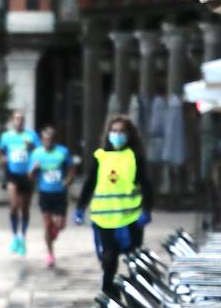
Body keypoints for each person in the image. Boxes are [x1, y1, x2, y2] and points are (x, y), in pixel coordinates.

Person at [74, 115, 154, 295]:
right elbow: (89, 183)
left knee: (135, 261)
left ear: (129, 134)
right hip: (105, 219)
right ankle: (111, 302)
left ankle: (141, 300)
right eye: (114, 131)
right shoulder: (101, 157)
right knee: (108, 261)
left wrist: (147, 210)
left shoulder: (134, 157)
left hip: (130, 218)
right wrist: (80, 208)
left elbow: (146, 185)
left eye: (121, 131)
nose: (117, 135)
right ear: (108, 133)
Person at [28, 126, 78, 269]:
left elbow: (71, 169)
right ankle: (50, 254)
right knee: (47, 224)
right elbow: (30, 176)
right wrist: (34, 169)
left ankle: (54, 233)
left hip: (60, 193)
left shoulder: (63, 152)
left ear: (54, 140)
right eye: (45, 139)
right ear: (42, 140)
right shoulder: (36, 154)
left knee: (60, 225)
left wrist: (68, 180)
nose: (47, 142)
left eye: (50, 139)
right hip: (45, 193)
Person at [0, 110, 39, 255]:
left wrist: (31, 147)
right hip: (12, 174)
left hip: (27, 175)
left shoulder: (31, 135)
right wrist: (2, 160)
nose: (19, 121)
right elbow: (1, 152)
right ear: (12, 121)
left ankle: (22, 236)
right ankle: (15, 236)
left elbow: (39, 152)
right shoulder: (6, 136)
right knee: (14, 206)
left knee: (25, 208)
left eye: (21, 119)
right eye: (16, 119)